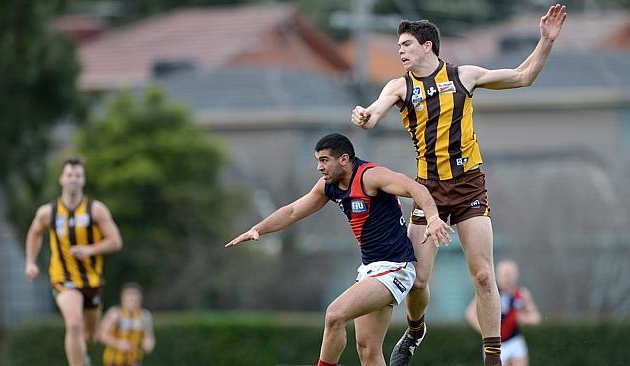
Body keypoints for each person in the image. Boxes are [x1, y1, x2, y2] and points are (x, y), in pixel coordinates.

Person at [349, 4, 566, 366]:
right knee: (417, 280)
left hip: (468, 186)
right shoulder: (399, 86)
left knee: (483, 275)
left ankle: (492, 357)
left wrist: (545, 41)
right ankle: (416, 330)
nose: (400, 51)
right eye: (399, 45)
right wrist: (364, 116)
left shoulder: (464, 75)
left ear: (427, 45)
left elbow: (522, 76)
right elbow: (374, 114)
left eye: (406, 44)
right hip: (428, 190)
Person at [226, 133, 452, 366]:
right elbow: (293, 211)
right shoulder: (329, 186)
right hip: (370, 270)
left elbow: (417, 189)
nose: (319, 167)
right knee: (367, 350)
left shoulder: (371, 176)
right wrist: (258, 229)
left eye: (324, 160)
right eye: (317, 160)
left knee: (335, 315)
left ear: (344, 159)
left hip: (395, 267)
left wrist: (433, 217)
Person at [25, 158, 123, 366]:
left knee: (89, 335)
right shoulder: (48, 212)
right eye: (69, 175)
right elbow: (35, 233)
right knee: (74, 324)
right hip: (63, 278)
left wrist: (90, 249)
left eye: (78, 175)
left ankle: (83, 357)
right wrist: (30, 262)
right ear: (61, 179)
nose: (73, 179)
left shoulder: (96, 210)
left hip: (92, 280)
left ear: (84, 180)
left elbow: (115, 241)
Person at [465, 260, 541, 366]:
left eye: (510, 274)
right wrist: (486, 332)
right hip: (495, 342)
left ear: (516, 275)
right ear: (497, 275)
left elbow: (536, 317)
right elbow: (470, 314)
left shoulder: (522, 294)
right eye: (504, 275)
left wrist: (524, 319)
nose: (507, 278)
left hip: (514, 340)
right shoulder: (490, 294)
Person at [99, 282, 155, 366]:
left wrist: (148, 344)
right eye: (129, 298)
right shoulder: (115, 313)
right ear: (122, 298)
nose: (132, 301)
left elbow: (149, 337)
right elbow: (101, 335)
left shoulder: (145, 316)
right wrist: (118, 343)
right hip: (114, 362)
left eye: (134, 298)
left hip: (134, 361)